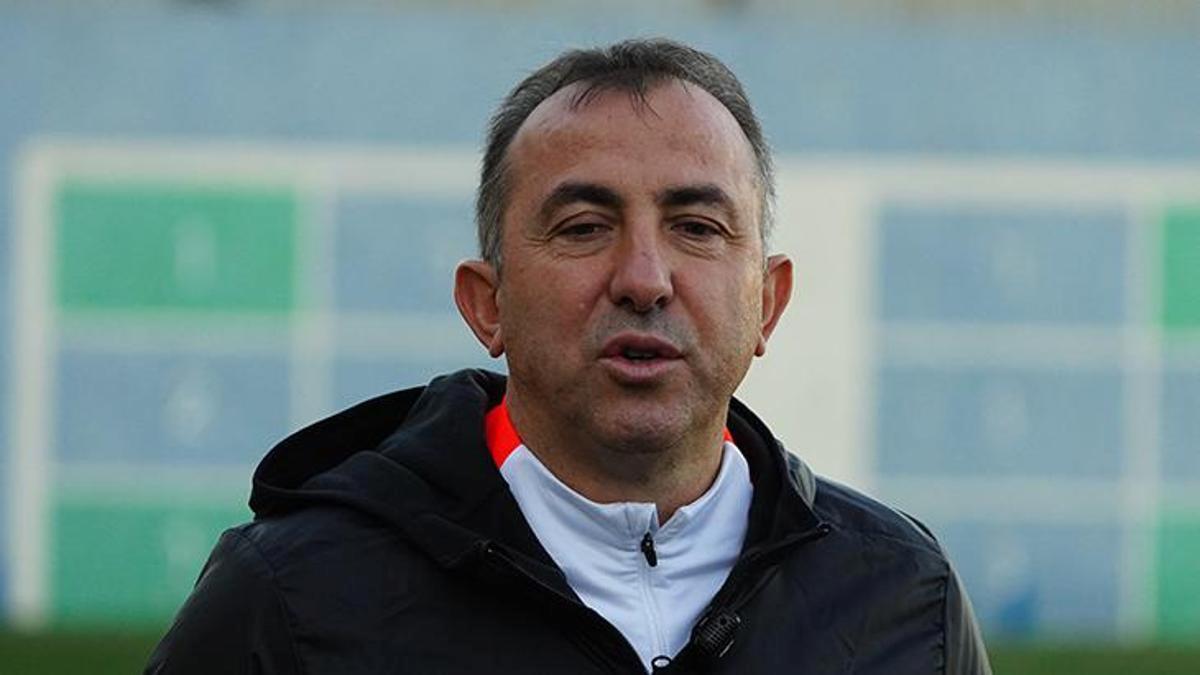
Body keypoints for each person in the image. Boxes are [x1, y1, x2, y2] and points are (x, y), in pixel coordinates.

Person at [146, 38, 991, 674]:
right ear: (488, 304)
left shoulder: (903, 597)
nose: (644, 279)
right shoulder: (292, 599)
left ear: (767, 302)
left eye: (697, 226)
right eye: (584, 227)